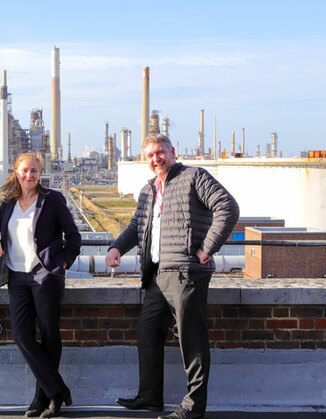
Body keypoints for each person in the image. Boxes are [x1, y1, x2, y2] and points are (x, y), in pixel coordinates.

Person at [106, 134, 239, 419]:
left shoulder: (194, 177)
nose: (156, 159)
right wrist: (117, 247)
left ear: (172, 152)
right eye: (151, 155)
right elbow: (136, 225)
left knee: (191, 338)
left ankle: (193, 407)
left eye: (161, 152)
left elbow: (227, 207)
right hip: (156, 275)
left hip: (185, 273)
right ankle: (150, 397)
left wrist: (207, 248)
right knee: (147, 330)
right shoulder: (148, 188)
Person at [0, 153, 81, 418]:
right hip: (16, 277)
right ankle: (57, 390)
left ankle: (43, 400)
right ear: (16, 171)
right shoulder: (10, 202)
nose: (29, 175)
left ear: (40, 173)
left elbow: (73, 237)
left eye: (34, 171)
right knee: (22, 335)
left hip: (44, 276)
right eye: (25, 171)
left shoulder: (52, 199)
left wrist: (63, 265)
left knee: (49, 336)